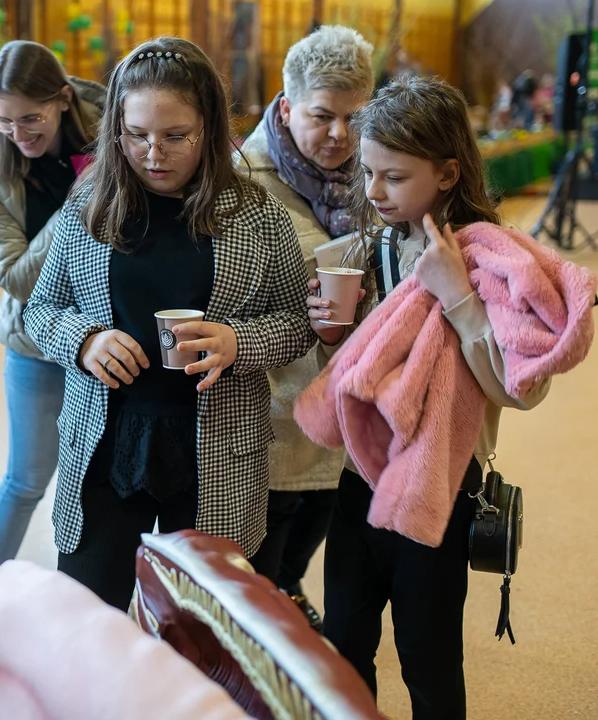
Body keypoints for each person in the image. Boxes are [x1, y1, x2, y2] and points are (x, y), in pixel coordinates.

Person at [23, 37, 315, 612]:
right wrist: (84, 341)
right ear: (116, 130)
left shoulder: (256, 215)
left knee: (202, 626)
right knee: (89, 618)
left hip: (216, 448)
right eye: (136, 135)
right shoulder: (90, 209)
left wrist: (239, 340)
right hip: (106, 446)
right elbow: (40, 310)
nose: (153, 153)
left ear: (208, 129)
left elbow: (296, 323)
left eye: (175, 136)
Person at [315, 76, 552, 719]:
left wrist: (459, 297)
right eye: (366, 173)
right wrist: (332, 339)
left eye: (393, 176)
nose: (372, 192)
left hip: (439, 488)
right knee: (344, 648)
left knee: (429, 660)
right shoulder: (367, 251)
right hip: (358, 482)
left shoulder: (494, 261)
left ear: (448, 173)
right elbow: (354, 383)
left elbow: (521, 387)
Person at [233, 25, 374, 630]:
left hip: (340, 407)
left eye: (355, 118)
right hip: (269, 410)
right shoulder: (242, 182)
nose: (340, 135)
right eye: (322, 116)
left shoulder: (375, 174)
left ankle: (289, 592)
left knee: (315, 522)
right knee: (264, 546)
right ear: (287, 108)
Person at [0, 40, 105, 580]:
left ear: (64, 100)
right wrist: (80, 197)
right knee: (27, 478)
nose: (19, 134)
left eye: (31, 118)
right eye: (5, 121)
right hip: (35, 344)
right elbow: (16, 277)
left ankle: (93, 595)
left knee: (102, 482)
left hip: (105, 340)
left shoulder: (115, 142)